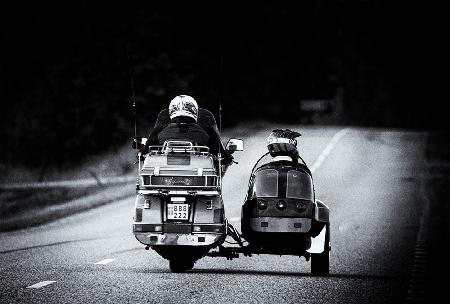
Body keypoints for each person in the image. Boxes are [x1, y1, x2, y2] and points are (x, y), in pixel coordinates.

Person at [142, 95, 234, 167]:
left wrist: (141, 153)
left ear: (171, 110)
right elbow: (219, 152)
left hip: (163, 174)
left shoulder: (160, 131)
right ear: (194, 110)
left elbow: (145, 151)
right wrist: (227, 157)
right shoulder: (207, 132)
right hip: (198, 176)